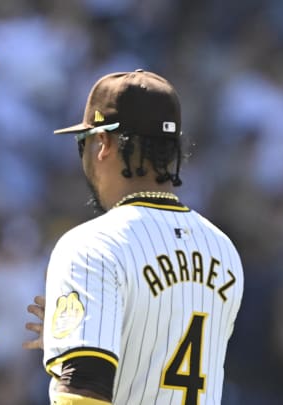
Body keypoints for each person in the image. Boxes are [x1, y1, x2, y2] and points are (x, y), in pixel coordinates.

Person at [24, 69, 244, 405]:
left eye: (84, 140)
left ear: (103, 143)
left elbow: (84, 390)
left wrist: (79, 346)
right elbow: (161, 350)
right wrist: (91, 331)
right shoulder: (223, 249)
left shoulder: (91, 245)